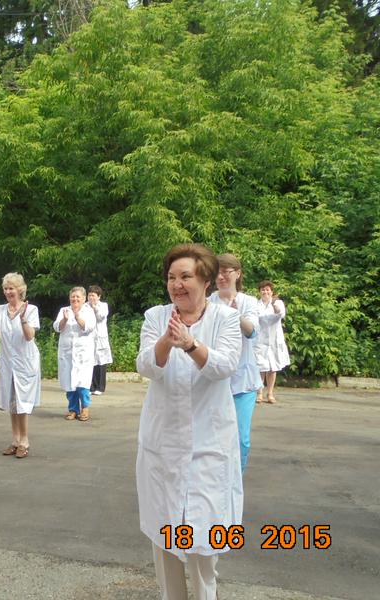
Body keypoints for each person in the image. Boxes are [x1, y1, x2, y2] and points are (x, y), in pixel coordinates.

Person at [136, 243, 242, 600]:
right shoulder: (156, 316)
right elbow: (146, 366)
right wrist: (167, 341)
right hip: (163, 444)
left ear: (206, 281)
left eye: (185, 277)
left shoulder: (225, 318)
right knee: (166, 535)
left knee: (204, 539)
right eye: (171, 277)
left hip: (209, 443)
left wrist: (191, 343)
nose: (177, 284)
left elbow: (225, 366)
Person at [209, 254, 261, 471]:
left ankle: (234, 483)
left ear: (237, 274)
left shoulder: (248, 301)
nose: (220, 276)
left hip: (242, 381)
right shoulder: (208, 300)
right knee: (212, 438)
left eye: (226, 272)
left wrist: (234, 313)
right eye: (217, 272)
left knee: (241, 439)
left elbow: (252, 331)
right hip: (213, 379)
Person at [0, 273, 40, 459]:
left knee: (23, 402)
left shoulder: (30, 309)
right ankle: (15, 440)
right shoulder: (0, 310)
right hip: (7, 361)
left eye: (11, 288)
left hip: (25, 361)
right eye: (5, 288)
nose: (8, 291)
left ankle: (25, 441)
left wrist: (23, 318)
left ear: (20, 289)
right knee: (12, 402)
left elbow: (29, 336)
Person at [53, 287, 95, 421]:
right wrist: (65, 320)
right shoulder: (64, 310)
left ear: (83, 299)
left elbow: (89, 328)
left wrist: (77, 317)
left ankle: (85, 408)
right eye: (73, 297)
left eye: (78, 297)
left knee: (82, 383)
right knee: (70, 383)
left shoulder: (88, 311)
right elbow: (57, 327)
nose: (75, 299)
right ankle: (73, 409)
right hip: (67, 354)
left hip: (83, 353)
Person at [255, 280, 290, 404]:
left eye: (267, 290)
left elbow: (280, 315)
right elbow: (258, 319)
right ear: (259, 292)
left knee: (272, 367)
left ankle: (270, 393)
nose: (265, 292)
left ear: (271, 291)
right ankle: (259, 393)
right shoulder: (256, 304)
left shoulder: (278, 302)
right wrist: (271, 317)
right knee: (260, 367)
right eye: (263, 290)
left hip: (274, 339)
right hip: (260, 339)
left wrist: (275, 311)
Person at [87, 285, 113, 396]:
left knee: (101, 363)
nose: (91, 297)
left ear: (99, 296)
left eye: (93, 295)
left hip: (100, 338)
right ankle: (91, 386)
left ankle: (100, 387)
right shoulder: (85, 306)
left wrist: (94, 308)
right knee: (90, 362)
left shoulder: (103, 306)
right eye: (89, 295)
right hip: (89, 338)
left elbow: (101, 317)